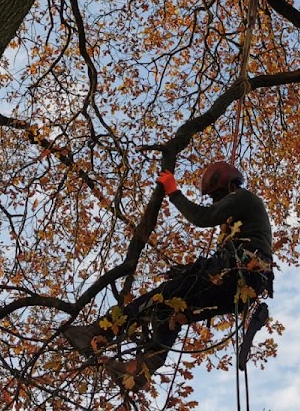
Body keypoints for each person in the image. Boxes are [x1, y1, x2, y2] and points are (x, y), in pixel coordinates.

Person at [62, 161, 274, 388]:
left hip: (236, 276)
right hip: (237, 288)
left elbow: (203, 217)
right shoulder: (239, 228)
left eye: (217, 196)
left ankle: (99, 331)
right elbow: (220, 260)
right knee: (170, 311)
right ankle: (141, 368)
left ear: (229, 185)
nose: (215, 203)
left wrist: (173, 192)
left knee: (161, 296)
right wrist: (187, 270)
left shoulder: (243, 197)